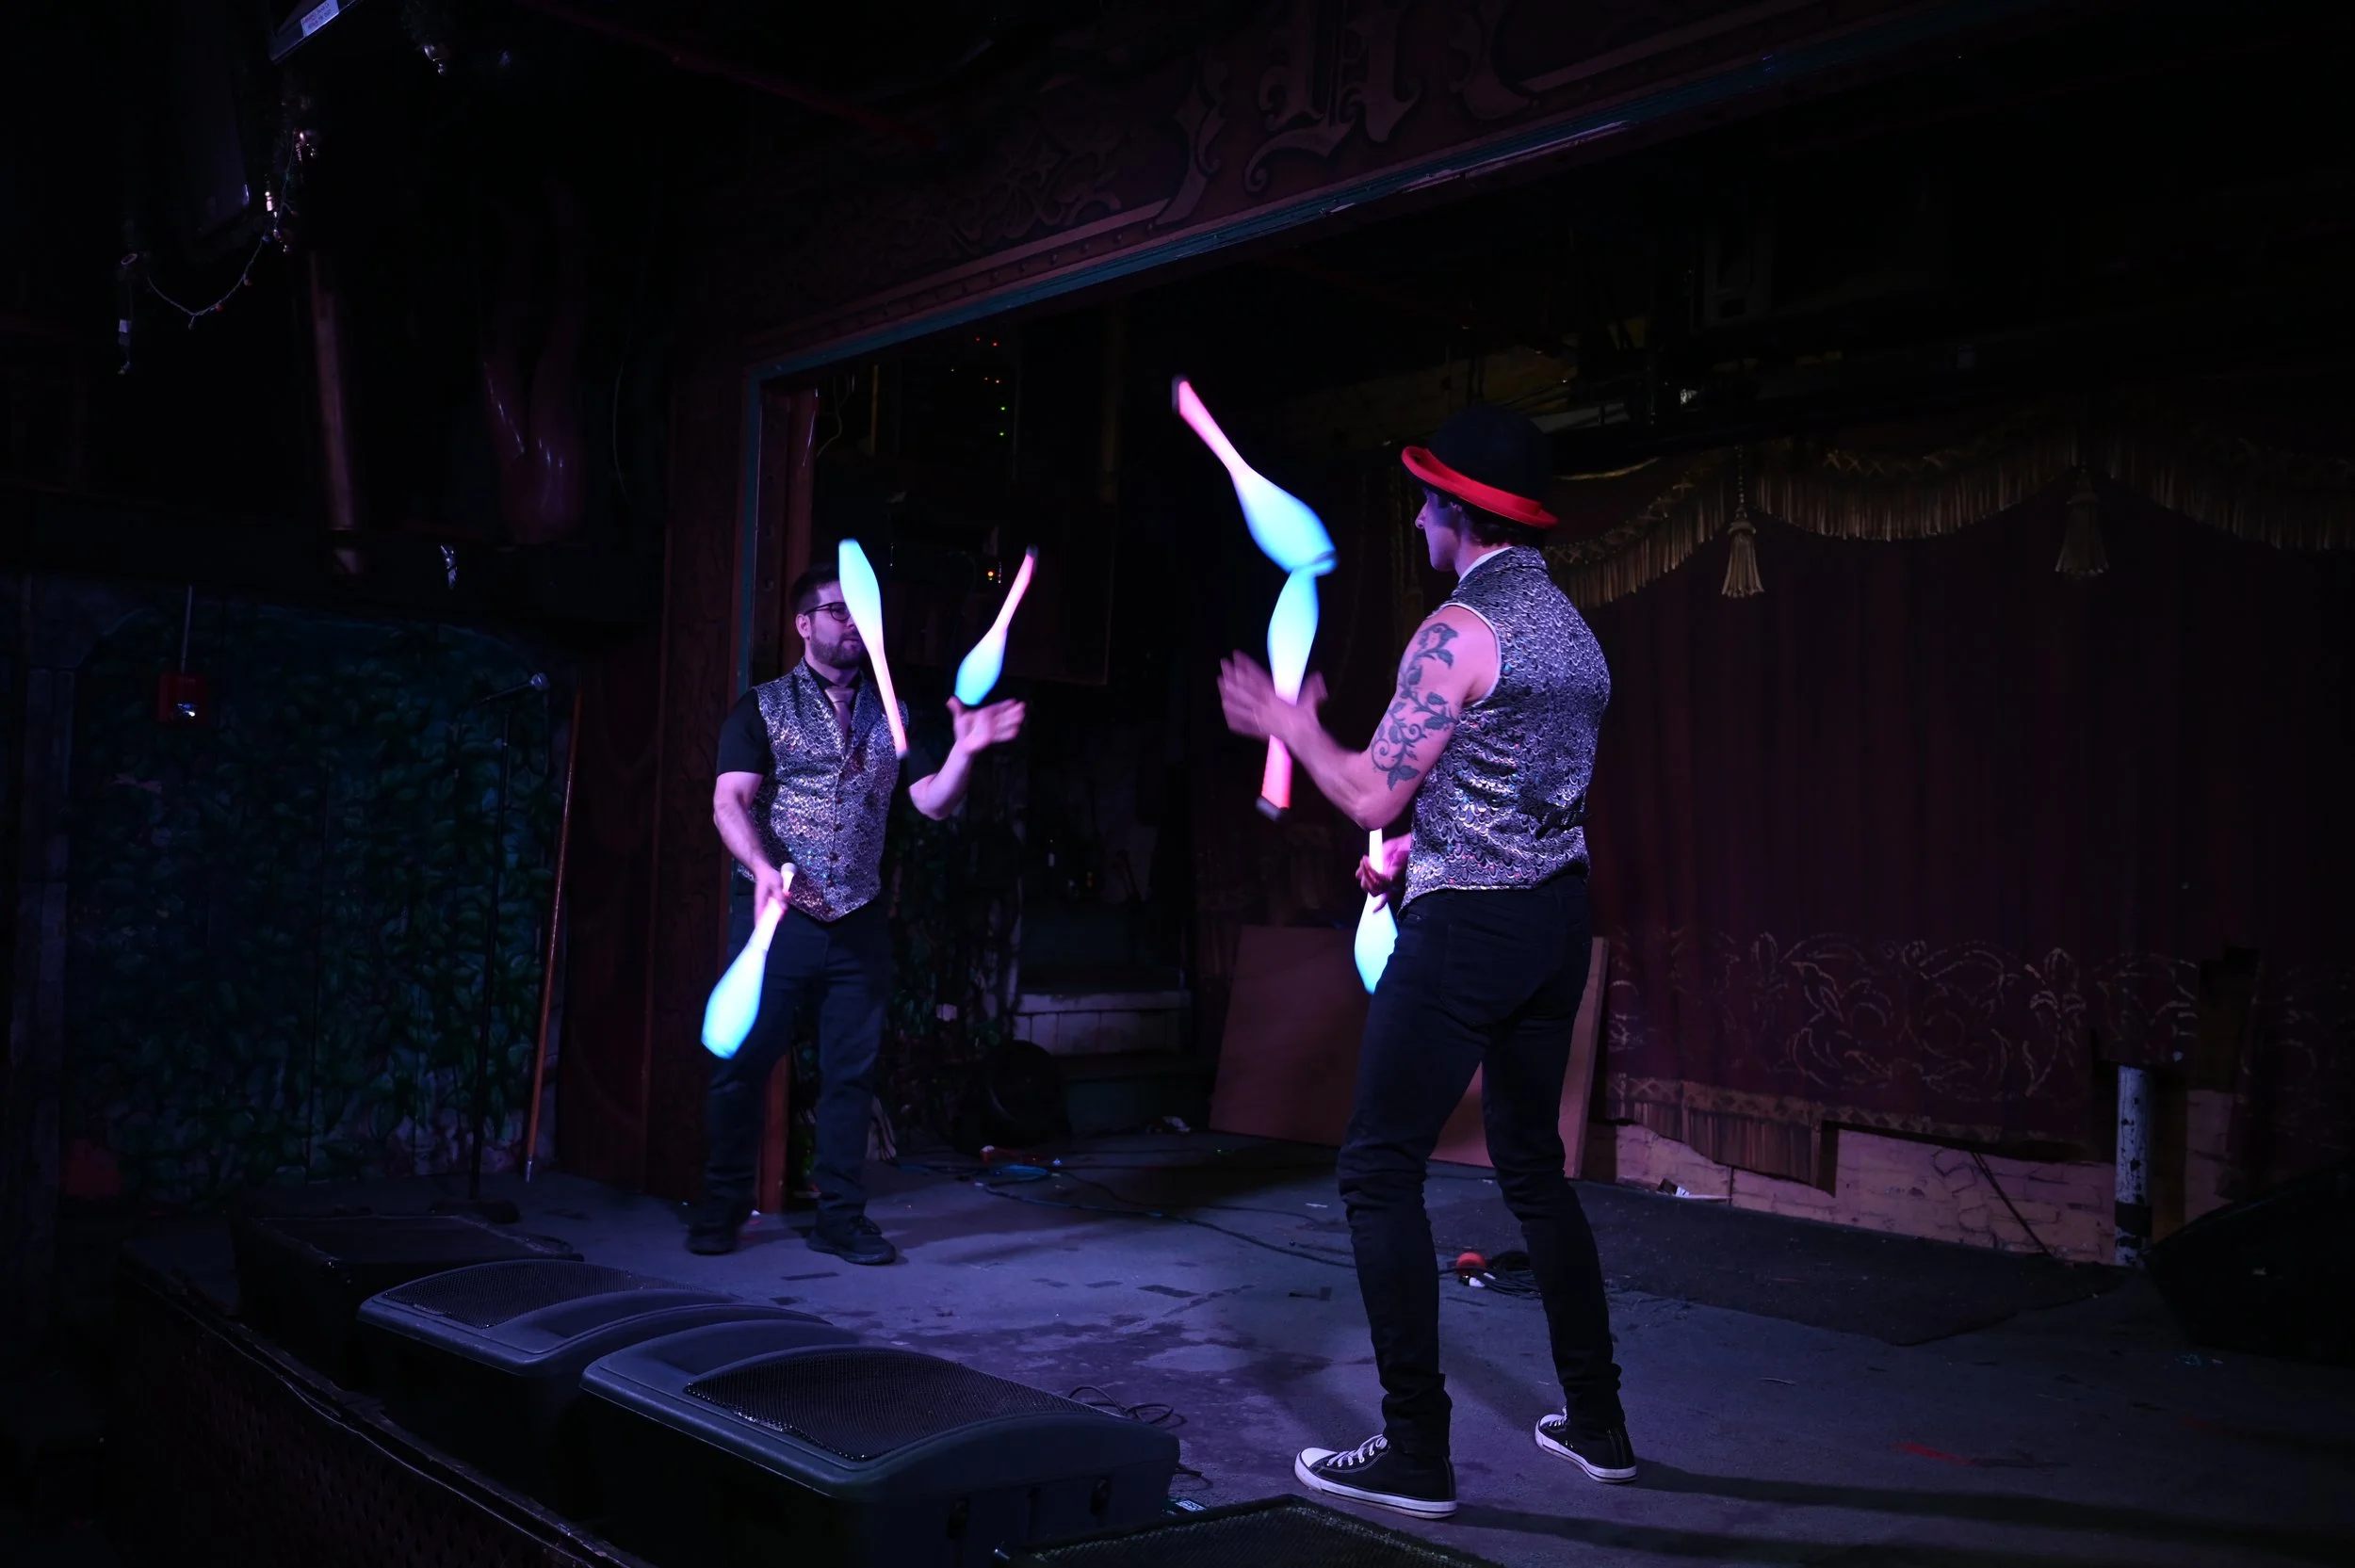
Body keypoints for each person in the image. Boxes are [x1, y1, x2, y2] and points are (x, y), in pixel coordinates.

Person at [1217, 403, 1630, 1516]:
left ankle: (1414, 1451)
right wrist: (1417, 847)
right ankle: (1599, 1424)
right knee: (1532, 1169)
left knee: (1376, 1170)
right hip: (1552, 923)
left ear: (1457, 512)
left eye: (1425, 501)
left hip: (1470, 934)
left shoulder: (1456, 631)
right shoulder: (1570, 633)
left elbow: (1366, 791)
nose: (1413, 519)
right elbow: (1513, 784)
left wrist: (1288, 725)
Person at [692, 559, 1025, 1265]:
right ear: (803, 624)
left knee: (851, 1075)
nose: (851, 622)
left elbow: (933, 802)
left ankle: (839, 1219)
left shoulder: (892, 711)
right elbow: (729, 802)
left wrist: (965, 750)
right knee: (742, 1068)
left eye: (858, 611)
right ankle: (721, 1209)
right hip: (781, 916)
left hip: (858, 918)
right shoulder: (761, 707)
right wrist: (762, 868)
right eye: (836, 610)